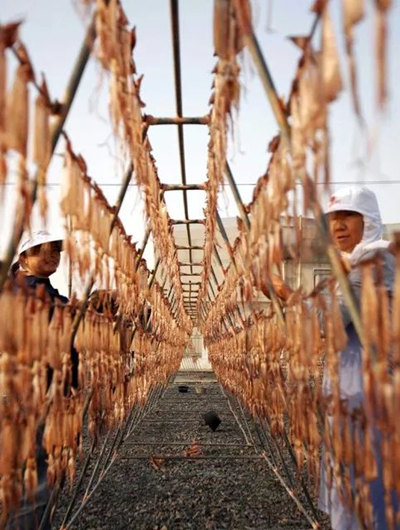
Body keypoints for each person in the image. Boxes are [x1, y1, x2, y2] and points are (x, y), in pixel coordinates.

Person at [263, 187, 397, 529]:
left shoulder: (376, 261)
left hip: (372, 397)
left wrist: (281, 291)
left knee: (370, 491)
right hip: (353, 394)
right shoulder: (354, 265)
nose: (338, 225)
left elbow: (330, 320)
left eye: (348, 216)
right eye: (333, 218)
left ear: (369, 221)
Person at [6, 230, 78, 530]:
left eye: (56, 250)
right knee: (33, 475)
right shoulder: (15, 293)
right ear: (23, 257)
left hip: (50, 393)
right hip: (27, 396)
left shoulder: (52, 296)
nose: (51, 255)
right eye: (41, 250)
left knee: (37, 474)